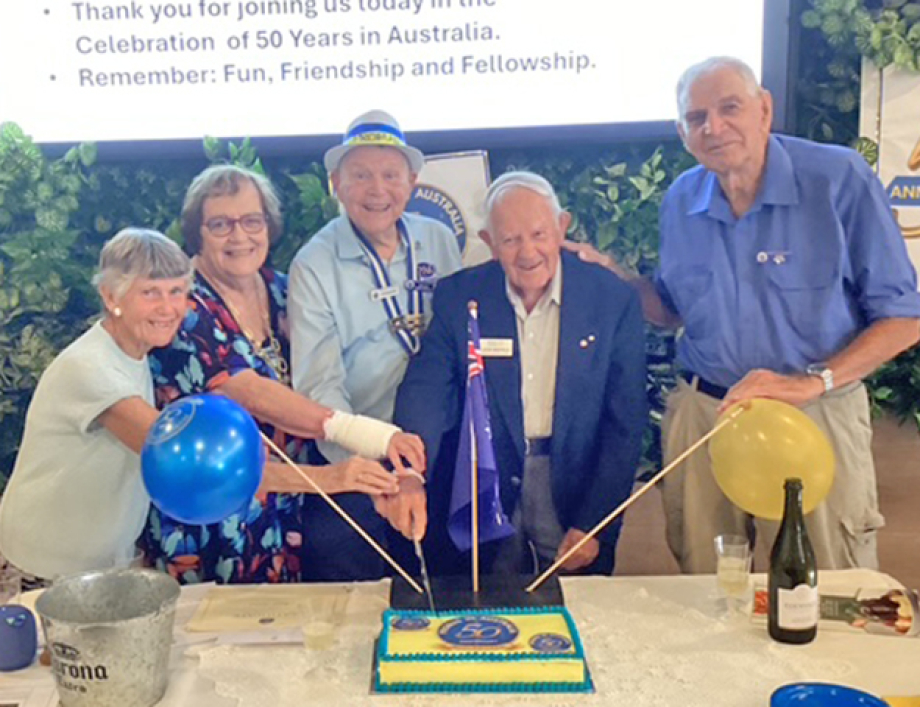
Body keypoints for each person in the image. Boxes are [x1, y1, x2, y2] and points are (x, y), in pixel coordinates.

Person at [568, 56, 920, 573]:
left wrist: (812, 382)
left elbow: (905, 318)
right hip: (705, 415)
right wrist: (613, 279)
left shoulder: (838, 178)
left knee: (822, 584)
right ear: (683, 133)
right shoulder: (681, 198)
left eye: (729, 108)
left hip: (813, 412)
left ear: (764, 110)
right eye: (697, 118)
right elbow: (671, 309)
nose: (713, 127)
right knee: (705, 585)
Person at [142, 165, 426, 584]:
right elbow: (250, 393)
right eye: (220, 224)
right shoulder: (183, 306)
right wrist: (368, 435)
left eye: (252, 221)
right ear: (196, 233)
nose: (239, 236)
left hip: (288, 505)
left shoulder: (281, 289)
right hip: (215, 515)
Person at [392, 171, 648, 576]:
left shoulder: (611, 299)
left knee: (574, 603)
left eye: (539, 234)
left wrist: (596, 521)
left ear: (561, 226)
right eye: (510, 240)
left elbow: (625, 423)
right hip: (484, 484)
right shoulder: (459, 297)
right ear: (490, 242)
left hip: (573, 485)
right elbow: (426, 394)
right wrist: (410, 472)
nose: (528, 252)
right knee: (483, 601)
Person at [288, 110, 463, 579]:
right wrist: (373, 468)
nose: (377, 190)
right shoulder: (313, 264)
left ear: (412, 182)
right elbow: (319, 385)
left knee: (444, 585)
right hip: (357, 460)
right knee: (355, 590)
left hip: (437, 450)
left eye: (390, 175)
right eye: (361, 175)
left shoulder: (439, 240)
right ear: (336, 184)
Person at [0, 228, 193, 580]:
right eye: (150, 292)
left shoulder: (132, 352)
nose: (168, 308)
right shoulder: (90, 368)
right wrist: (305, 478)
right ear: (110, 295)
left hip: (100, 564)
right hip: (43, 565)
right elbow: (175, 454)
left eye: (176, 291)